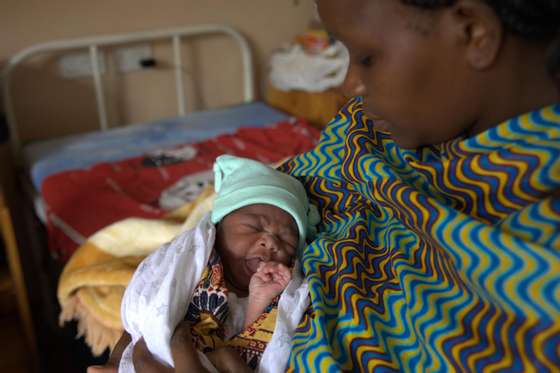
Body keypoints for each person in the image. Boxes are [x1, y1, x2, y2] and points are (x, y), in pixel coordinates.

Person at [125, 0, 560, 371]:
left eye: (367, 57)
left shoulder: (533, 246)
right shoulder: (365, 128)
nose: (349, 85)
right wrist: (149, 329)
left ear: (473, 31)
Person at [88, 154, 318, 373]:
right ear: (218, 230)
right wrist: (117, 359)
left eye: (286, 239)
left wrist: (259, 299)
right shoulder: (190, 266)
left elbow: (251, 340)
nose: (270, 241)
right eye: (254, 227)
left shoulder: (274, 292)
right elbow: (143, 310)